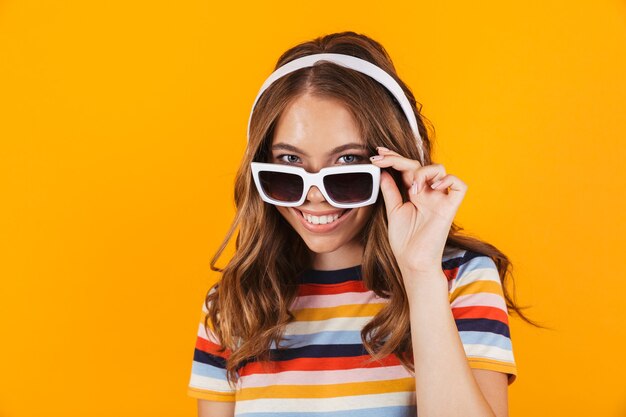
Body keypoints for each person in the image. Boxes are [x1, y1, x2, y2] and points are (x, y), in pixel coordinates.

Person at [187, 31, 532, 417]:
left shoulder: (459, 280)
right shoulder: (233, 306)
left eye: (348, 163)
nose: (314, 195)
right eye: (289, 163)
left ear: (393, 162)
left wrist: (420, 274)